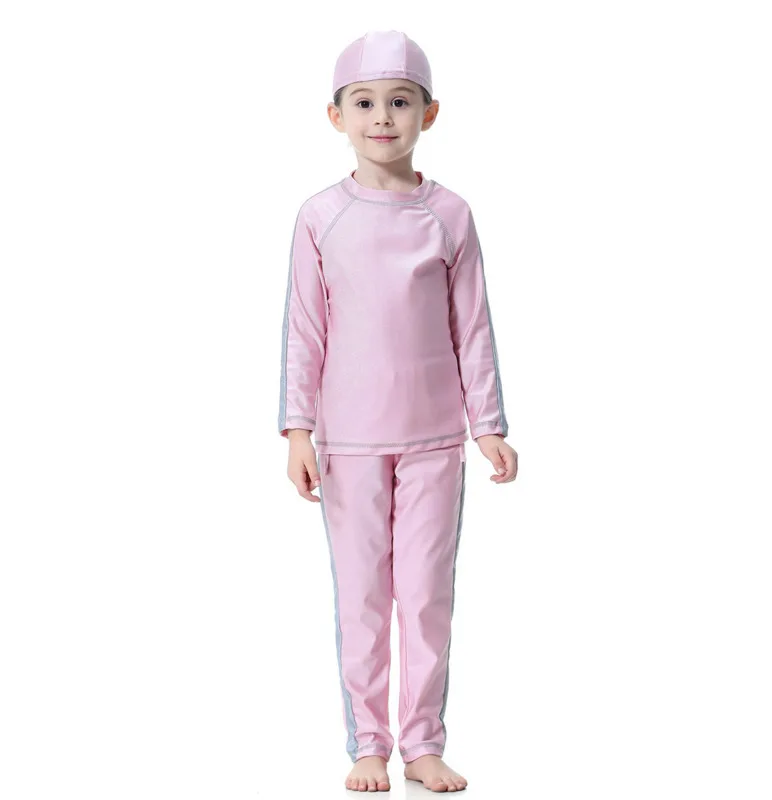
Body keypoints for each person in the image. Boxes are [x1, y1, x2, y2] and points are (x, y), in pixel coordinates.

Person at [278, 29, 518, 793]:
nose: (382, 117)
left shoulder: (450, 215)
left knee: (425, 597)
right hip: (347, 443)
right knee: (362, 597)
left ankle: (422, 743)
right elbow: (304, 328)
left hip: (434, 440)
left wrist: (488, 426)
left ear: (429, 113)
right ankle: (368, 744)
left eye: (400, 102)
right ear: (336, 116)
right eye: (364, 103)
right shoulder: (320, 216)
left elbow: (472, 325)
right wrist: (297, 430)